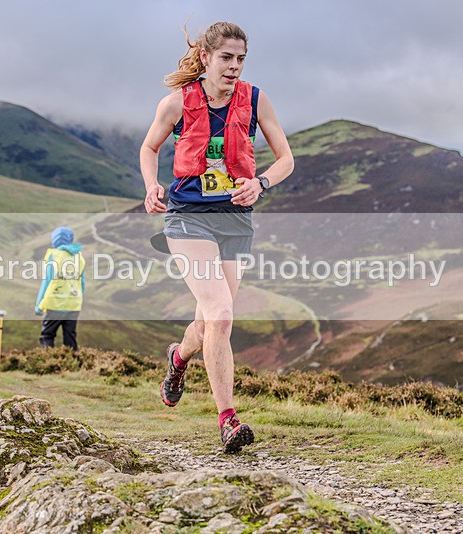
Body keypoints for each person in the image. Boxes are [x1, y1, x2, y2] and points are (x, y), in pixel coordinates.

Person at [140, 21, 294, 453]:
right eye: (226, 57)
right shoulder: (176, 103)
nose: (234, 66)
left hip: (236, 221)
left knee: (210, 323)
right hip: (188, 219)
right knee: (222, 314)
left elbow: (286, 159)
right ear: (206, 57)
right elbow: (149, 148)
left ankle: (178, 357)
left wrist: (260, 183)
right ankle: (228, 419)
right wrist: (151, 185)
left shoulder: (256, 99)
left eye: (241, 59)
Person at [34, 226, 85, 351]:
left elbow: (47, 281)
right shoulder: (79, 257)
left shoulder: (54, 256)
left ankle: (49, 359)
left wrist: (39, 305)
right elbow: (82, 283)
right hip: (73, 304)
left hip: (56, 304)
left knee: (47, 335)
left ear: (55, 240)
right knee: (70, 337)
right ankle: (72, 361)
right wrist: (77, 299)